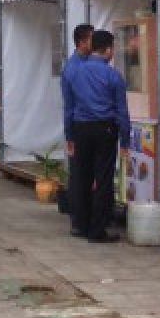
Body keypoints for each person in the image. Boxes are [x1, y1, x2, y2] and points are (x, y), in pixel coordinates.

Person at [63, 30, 130, 243]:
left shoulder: (74, 72)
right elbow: (121, 112)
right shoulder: (113, 76)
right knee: (103, 179)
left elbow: (69, 107)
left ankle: (80, 225)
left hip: (80, 128)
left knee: (81, 176)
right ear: (109, 50)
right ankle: (98, 229)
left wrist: (69, 135)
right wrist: (125, 141)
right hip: (105, 130)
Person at [61, 23, 94, 236]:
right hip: (80, 126)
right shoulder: (74, 68)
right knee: (80, 175)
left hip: (85, 125)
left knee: (87, 174)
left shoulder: (88, 63)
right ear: (82, 42)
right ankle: (79, 221)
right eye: (92, 39)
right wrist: (69, 135)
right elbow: (69, 105)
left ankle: (86, 218)